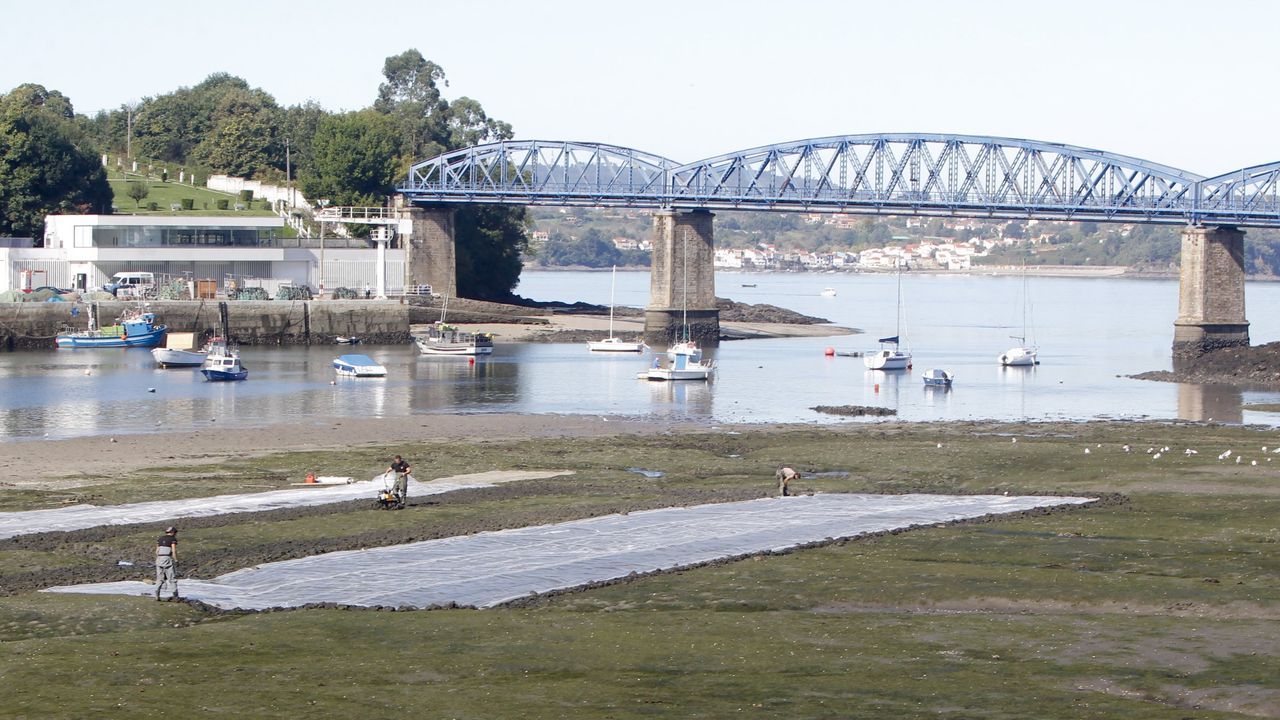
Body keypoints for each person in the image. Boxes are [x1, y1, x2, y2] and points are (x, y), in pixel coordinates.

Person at [155, 526, 179, 600]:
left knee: (159, 578)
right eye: (175, 533)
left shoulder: (160, 539)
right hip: (167, 559)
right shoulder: (173, 539)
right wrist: (175, 560)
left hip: (159, 559)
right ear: (172, 532)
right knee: (172, 579)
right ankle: (176, 596)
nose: (175, 534)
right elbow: (174, 551)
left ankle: (157, 595)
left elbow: (156, 551)